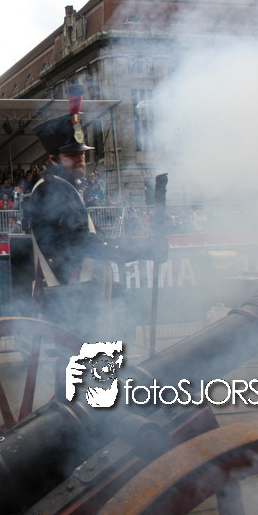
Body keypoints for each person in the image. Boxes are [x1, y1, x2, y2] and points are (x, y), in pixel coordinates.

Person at [26, 86, 166, 338]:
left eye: (81, 154)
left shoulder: (64, 186)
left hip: (74, 287)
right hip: (70, 289)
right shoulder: (55, 189)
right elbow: (82, 243)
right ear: (53, 159)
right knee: (81, 352)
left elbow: (88, 234)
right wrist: (139, 251)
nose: (80, 160)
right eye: (72, 155)